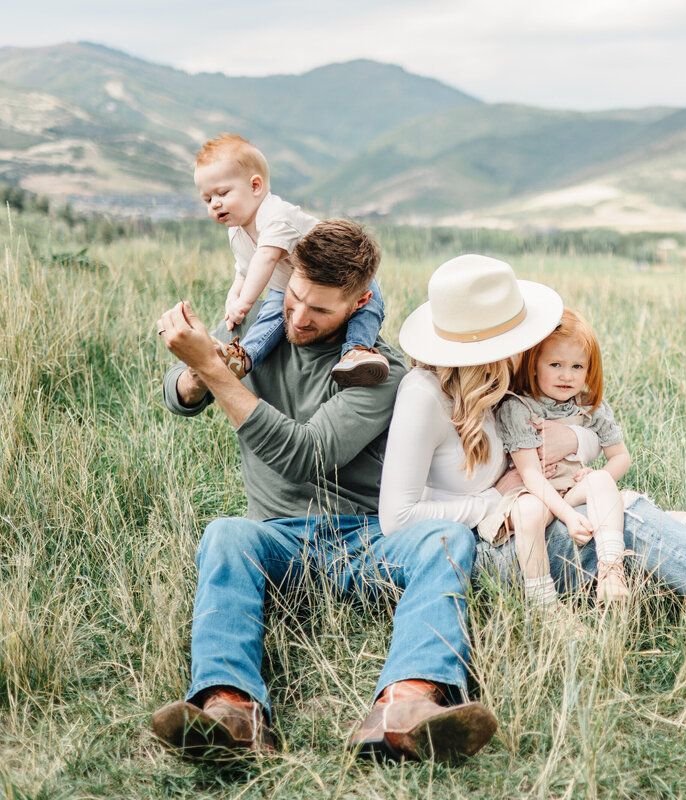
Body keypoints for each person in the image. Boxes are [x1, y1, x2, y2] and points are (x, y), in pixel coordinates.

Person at [150, 220, 498, 763]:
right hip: (276, 541)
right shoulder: (260, 338)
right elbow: (179, 396)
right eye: (293, 298)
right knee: (225, 534)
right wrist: (197, 373)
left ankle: (407, 707)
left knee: (446, 539)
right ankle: (231, 710)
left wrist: (216, 376)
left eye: (320, 311)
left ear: (360, 303)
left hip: (365, 541)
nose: (298, 317)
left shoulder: (379, 373)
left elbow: (308, 455)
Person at [380, 254, 686, 627]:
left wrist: (575, 440)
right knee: (635, 518)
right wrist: (495, 503)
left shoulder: (506, 382)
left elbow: (574, 431)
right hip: (495, 545)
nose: (530, 349)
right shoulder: (424, 395)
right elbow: (396, 517)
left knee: (679, 525)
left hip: (541, 507)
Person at [193, 133, 389, 386]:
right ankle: (243, 358)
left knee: (367, 307)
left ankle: (356, 350)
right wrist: (233, 298)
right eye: (208, 199)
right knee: (271, 314)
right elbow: (244, 271)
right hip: (290, 285)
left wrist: (244, 303)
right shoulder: (237, 232)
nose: (215, 204)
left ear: (255, 186)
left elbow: (265, 257)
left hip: (344, 274)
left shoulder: (276, 216)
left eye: (222, 193)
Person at [479, 309, 632, 610]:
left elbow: (621, 456)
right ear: (534, 365)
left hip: (568, 489)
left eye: (577, 366)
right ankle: (543, 601)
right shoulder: (518, 406)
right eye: (556, 364)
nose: (567, 375)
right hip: (533, 492)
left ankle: (611, 570)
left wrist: (591, 476)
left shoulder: (591, 406)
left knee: (600, 479)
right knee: (529, 511)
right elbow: (531, 475)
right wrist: (569, 515)